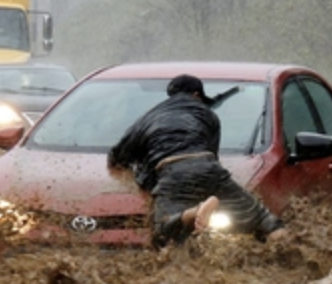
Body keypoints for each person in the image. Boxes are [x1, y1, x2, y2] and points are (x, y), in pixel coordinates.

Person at [107, 74, 288, 248]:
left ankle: (194, 212)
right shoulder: (208, 115)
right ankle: (290, 259)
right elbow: (212, 155)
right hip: (208, 167)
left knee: (161, 232)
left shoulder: (148, 118)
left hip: (172, 172)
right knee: (265, 220)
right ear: (196, 95)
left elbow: (117, 157)